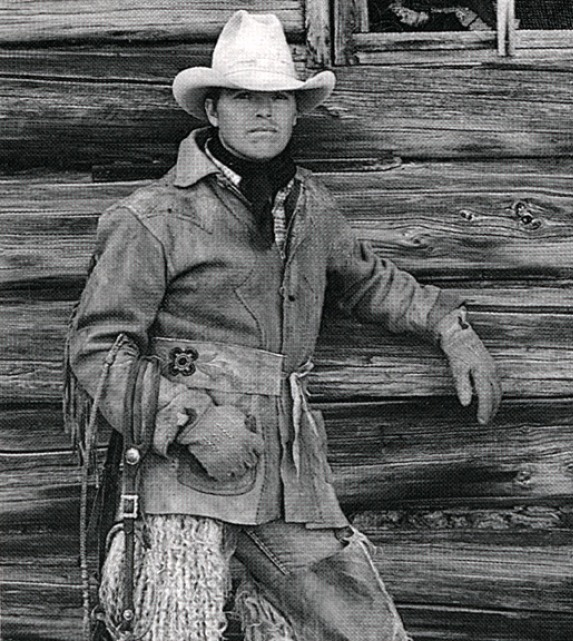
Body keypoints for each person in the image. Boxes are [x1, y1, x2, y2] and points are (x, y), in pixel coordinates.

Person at [64, 10, 501, 641]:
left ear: (297, 113)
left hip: (288, 476)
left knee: (364, 628)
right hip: (186, 482)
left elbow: (367, 281)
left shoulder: (309, 207)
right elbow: (98, 348)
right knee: (172, 629)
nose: (264, 113)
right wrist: (190, 421)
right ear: (212, 110)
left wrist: (449, 327)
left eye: (279, 99)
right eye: (245, 97)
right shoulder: (152, 217)